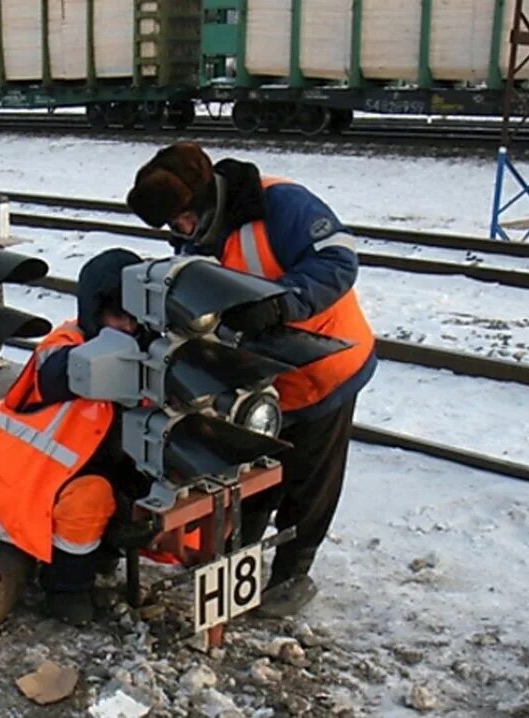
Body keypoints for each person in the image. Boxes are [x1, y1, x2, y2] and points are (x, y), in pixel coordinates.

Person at [125, 142, 377, 617]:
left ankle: (292, 574)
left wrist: (284, 302)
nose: (179, 232)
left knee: (311, 480)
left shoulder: (281, 204)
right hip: (261, 378)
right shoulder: (195, 238)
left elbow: (339, 259)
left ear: (203, 202)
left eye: (181, 219)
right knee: (252, 472)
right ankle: (239, 556)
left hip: (326, 364)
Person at [0, 248, 154, 627]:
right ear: (94, 313)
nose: (127, 328)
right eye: (117, 317)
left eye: (134, 319)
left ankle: (101, 551)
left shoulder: (143, 346)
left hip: (103, 464)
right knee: (89, 500)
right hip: (44, 481)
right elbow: (56, 374)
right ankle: (65, 589)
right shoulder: (61, 347)